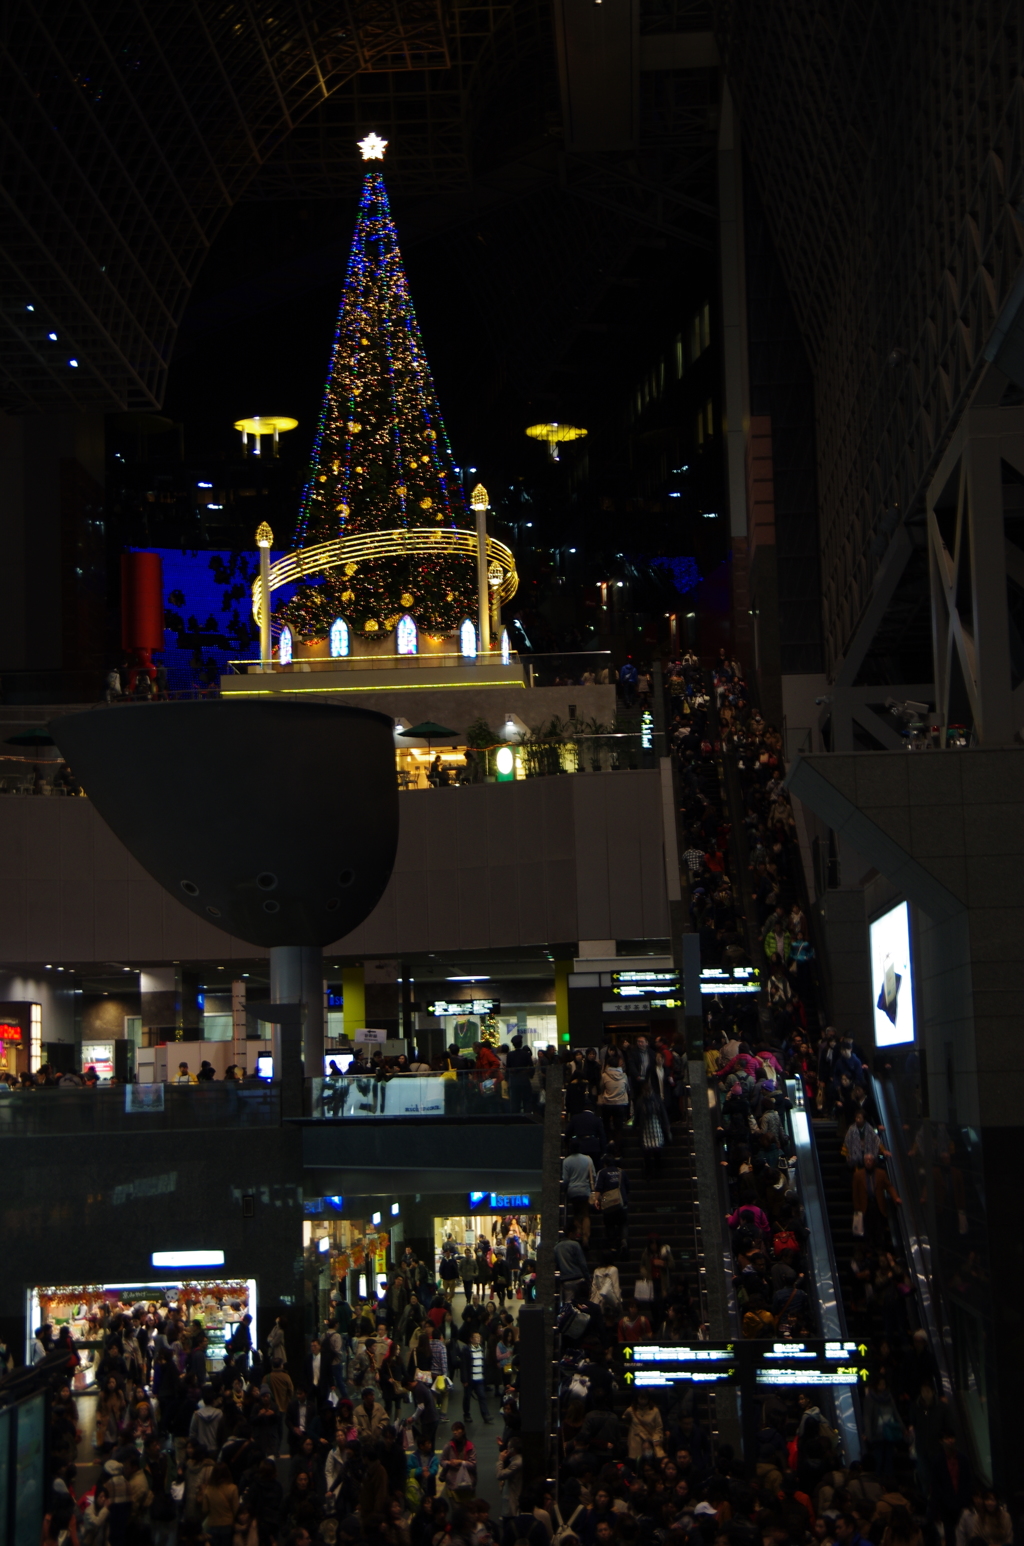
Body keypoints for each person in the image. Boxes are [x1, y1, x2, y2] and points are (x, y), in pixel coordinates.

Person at [458, 1331, 491, 1425]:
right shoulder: (466, 1350)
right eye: (476, 1337)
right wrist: (464, 1379)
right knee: (467, 1397)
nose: (478, 1339)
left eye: (479, 1337)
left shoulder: (482, 1349)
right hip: (470, 1379)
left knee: (482, 1396)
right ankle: (466, 1414)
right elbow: (464, 1365)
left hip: (479, 1378)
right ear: (471, 1339)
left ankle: (485, 1415)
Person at [439, 1423, 476, 1504]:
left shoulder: (470, 1446)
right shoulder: (448, 1446)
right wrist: (449, 1463)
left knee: (466, 1510)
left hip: (466, 1482)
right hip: (452, 1482)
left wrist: (461, 1462)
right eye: (453, 1430)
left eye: (457, 1430)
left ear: (463, 1431)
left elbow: (473, 1464)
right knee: (456, 1510)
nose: (455, 1432)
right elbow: (442, 1461)